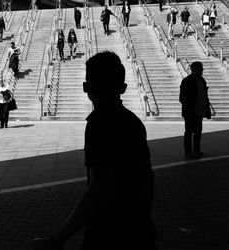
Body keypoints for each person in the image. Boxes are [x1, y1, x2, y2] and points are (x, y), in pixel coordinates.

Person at [33, 51, 157, 250]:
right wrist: (146, 220)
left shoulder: (99, 123)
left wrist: (58, 239)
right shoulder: (133, 121)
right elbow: (147, 179)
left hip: (108, 230)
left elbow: (99, 189)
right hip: (137, 227)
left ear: (88, 87)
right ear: (123, 88)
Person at [179, 61, 211, 159]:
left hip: (199, 111)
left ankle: (196, 150)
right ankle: (189, 151)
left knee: (198, 131)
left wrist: (207, 108)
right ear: (195, 69)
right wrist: (191, 105)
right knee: (189, 131)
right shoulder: (187, 81)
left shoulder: (202, 80)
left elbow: (204, 95)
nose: (202, 70)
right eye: (200, 69)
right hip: (190, 112)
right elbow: (182, 98)